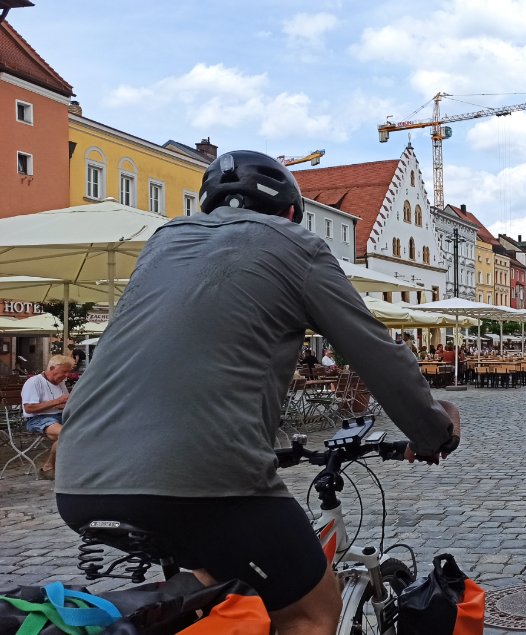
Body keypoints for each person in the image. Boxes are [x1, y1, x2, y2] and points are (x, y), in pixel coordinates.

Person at [53, 150, 460, 635]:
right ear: (291, 212)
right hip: (206, 480)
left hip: (78, 480)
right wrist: (433, 428)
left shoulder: (164, 242)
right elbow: (376, 353)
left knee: (216, 585)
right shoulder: (298, 245)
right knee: (310, 612)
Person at [21, 354, 74, 480]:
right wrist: (57, 401)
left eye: (68, 372)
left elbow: (62, 405)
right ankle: (48, 466)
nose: (67, 375)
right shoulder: (34, 382)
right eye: (64, 371)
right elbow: (29, 408)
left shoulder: (60, 382)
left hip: (60, 416)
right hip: (38, 418)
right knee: (65, 433)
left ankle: (67, 466)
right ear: (51, 368)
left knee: (86, 429)